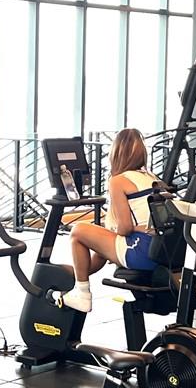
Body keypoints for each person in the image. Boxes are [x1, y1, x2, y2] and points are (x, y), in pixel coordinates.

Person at [61, 128, 159, 313]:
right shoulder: (151, 177)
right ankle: (74, 274)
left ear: (116, 153)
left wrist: (132, 229)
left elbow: (124, 228)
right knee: (101, 245)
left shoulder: (118, 181)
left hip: (140, 251)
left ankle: (82, 295)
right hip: (158, 251)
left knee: (78, 231)